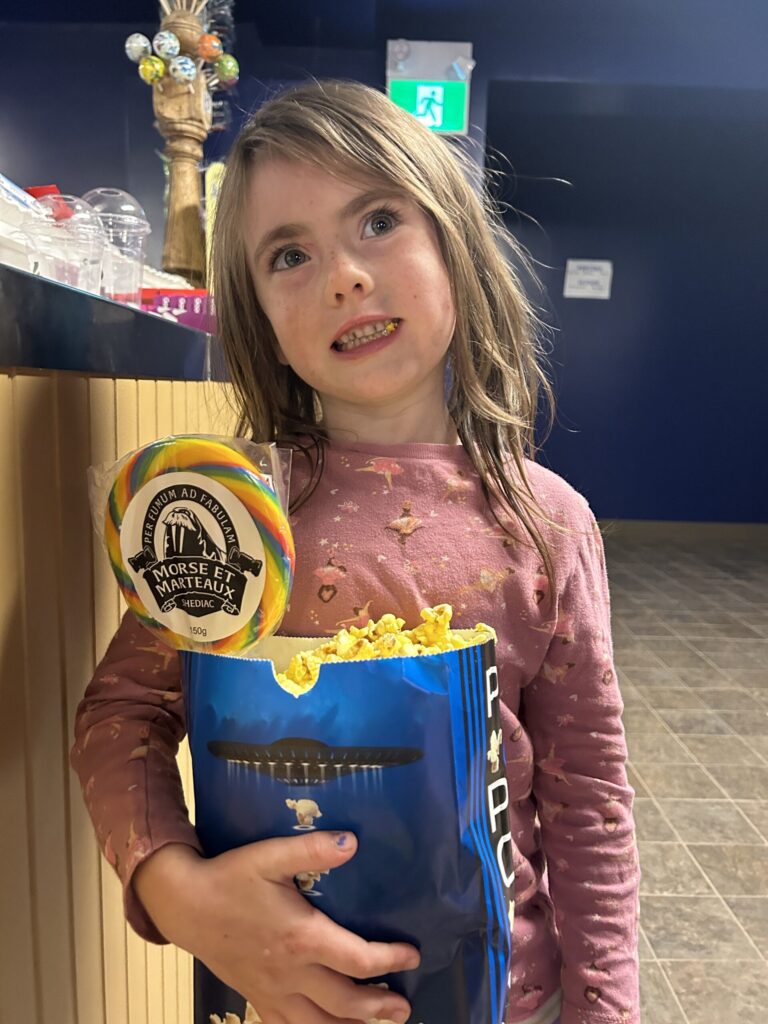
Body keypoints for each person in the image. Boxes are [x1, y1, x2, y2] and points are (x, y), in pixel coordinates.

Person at [72, 79, 640, 1024]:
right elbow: (121, 715)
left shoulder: (547, 523)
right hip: (285, 995)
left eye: (378, 221)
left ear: (454, 242)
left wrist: (605, 1007)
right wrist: (179, 893)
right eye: (289, 254)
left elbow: (589, 799)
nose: (343, 275)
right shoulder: (229, 520)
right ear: (259, 319)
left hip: (508, 998)